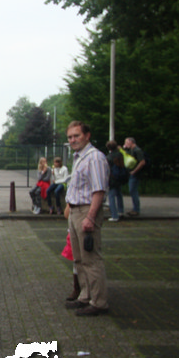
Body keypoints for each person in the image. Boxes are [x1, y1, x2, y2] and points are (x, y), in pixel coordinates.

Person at [63, 122, 110, 316]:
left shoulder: (94, 158)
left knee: (91, 259)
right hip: (75, 211)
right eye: (70, 137)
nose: (73, 140)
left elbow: (99, 190)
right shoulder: (79, 158)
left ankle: (98, 302)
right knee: (79, 259)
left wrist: (90, 217)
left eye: (77, 136)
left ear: (87, 135)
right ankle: (85, 296)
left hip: (86, 211)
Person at [105, 140, 128, 222]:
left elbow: (107, 170)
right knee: (119, 194)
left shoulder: (109, 157)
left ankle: (114, 215)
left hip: (112, 179)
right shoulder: (120, 155)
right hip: (120, 177)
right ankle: (120, 211)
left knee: (111, 197)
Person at [123, 137, 146, 216]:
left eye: (126, 142)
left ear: (131, 142)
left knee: (133, 190)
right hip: (132, 173)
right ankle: (135, 208)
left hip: (135, 174)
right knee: (132, 190)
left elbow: (142, 162)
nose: (125, 144)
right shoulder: (131, 150)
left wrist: (134, 171)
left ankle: (136, 209)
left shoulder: (137, 150)